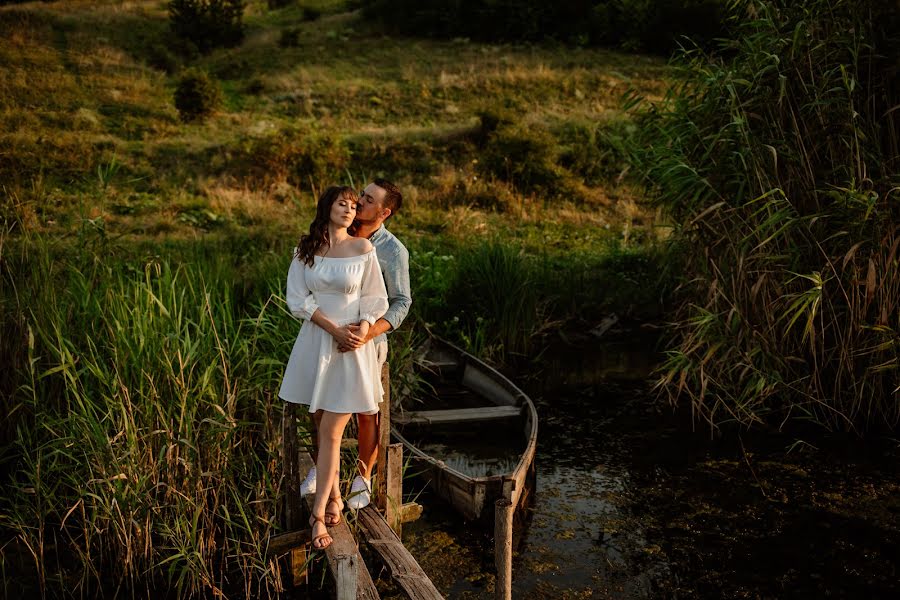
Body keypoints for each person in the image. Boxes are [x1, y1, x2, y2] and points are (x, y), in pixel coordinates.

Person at [278, 186, 389, 550]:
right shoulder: (306, 249)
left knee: (331, 432)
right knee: (323, 427)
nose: (350, 209)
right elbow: (297, 298)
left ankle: (318, 514)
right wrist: (332, 328)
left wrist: (359, 328)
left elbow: (376, 298)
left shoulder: (362, 249)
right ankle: (337, 498)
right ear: (327, 207)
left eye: (355, 206)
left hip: (350, 349)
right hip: (316, 342)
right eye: (343, 203)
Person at [298, 179, 411, 511]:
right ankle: (322, 470)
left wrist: (368, 332)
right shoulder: (339, 230)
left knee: (365, 409)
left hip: (368, 338)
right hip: (328, 334)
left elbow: (401, 302)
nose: (359, 201)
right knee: (320, 402)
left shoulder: (392, 250)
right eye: (360, 194)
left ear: (384, 211)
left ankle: (363, 477)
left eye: (368, 199)